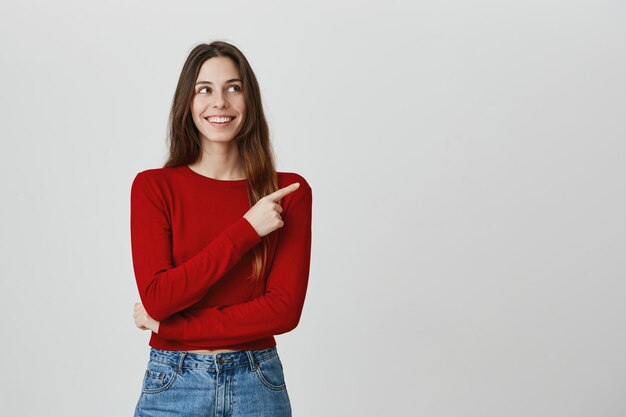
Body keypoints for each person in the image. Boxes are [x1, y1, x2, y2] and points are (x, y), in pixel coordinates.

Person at [129, 40, 312, 417]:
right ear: (188, 103)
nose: (220, 102)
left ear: (249, 100)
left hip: (256, 383)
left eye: (233, 87)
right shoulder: (153, 188)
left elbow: (282, 312)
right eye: (204, 90)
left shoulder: (286, 194)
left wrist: (173, 328)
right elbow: (159, 298)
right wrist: (246, 229)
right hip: (173, 385)